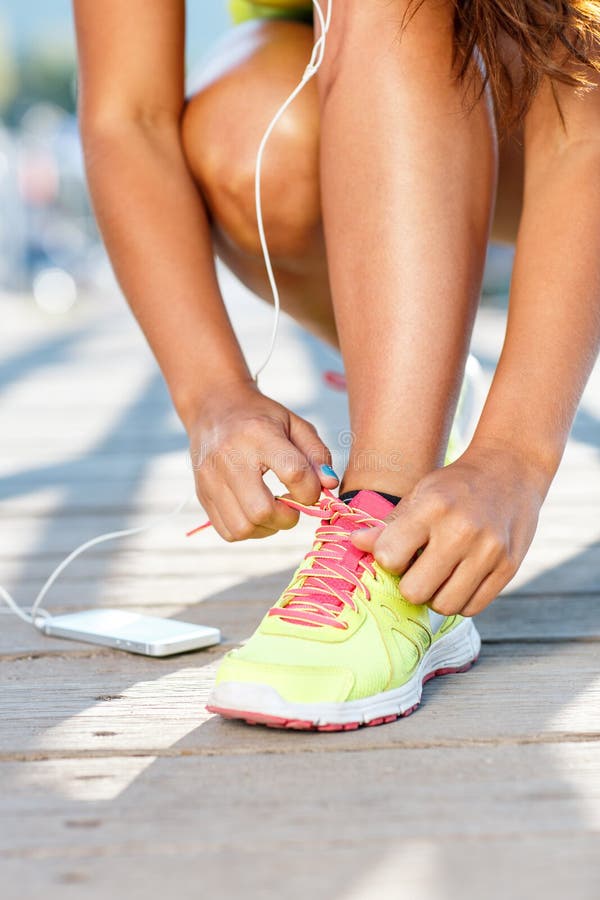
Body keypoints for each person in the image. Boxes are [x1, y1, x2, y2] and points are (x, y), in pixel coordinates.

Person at [73, 0, 600, 730]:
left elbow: (585, 98)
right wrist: (212, 394)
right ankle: (410, 429)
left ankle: (386, 504)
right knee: (253, 135)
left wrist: (516, 453)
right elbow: (127, 116)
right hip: (398, 97)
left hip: (569, 89)